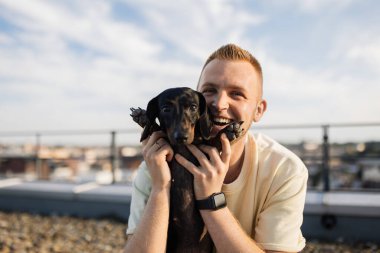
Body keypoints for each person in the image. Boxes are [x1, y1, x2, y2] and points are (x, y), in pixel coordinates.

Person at [124, 44, 308, 253]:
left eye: (237, 94)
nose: (219, 104)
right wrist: (160, 188)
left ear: (259, 110)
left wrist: (211, 199)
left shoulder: (283, 170)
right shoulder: (155, 165)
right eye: (210, 90)